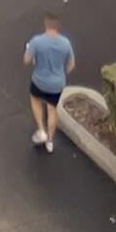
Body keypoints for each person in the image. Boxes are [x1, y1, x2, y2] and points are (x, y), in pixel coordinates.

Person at [25, 13, 75, 150]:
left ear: (46, 24)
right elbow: (71, 64)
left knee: (35, 100)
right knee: (52, 110)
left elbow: (27, 60)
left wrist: (31, 55)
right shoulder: (65, 43)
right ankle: (50, 141)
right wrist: (62, 74)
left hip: (39, 81)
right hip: (57, 84)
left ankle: (41, 130)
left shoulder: (36, 41)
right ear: (57, 26)